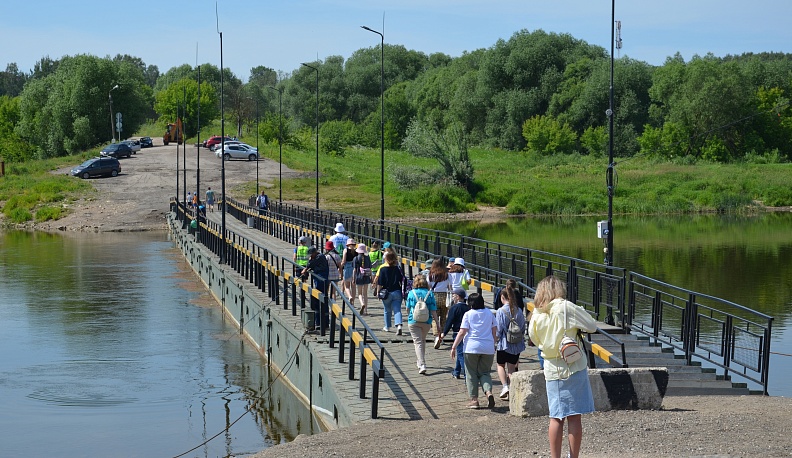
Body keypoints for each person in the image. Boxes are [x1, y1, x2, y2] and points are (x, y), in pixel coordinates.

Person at [528, 275, 598, 458]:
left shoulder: (536, 313)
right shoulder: (565, 307)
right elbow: (591, 325)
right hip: (573, 365)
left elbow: (534, 338)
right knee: (574, 416)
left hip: (552, 368)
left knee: (556, 417)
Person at [450, 293, 497, 409]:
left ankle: (474, 400)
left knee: (471, 373)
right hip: (488, 347)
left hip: (471, 347)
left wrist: (454, 346)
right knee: (485, 372)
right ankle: (488, 392)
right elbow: (494, 331)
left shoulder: (468, 314)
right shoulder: (489, 313)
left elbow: (462, 332)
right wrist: (493, 344)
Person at [495, 286, 527, 400]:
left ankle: (505, 387)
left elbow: (498, 330)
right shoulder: (519, 310)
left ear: (502, 297)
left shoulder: (500, 311)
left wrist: (495, 340)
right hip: (516, 344)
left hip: (504, 344)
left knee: (500, 365)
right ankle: (513, 390)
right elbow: (523, 328)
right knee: (512, 368)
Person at [405, 274, 440, 375]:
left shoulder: (411, 293)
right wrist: (437, 324)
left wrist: (410, 315)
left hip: (413, 321)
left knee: (418, 342)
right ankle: (420, 361)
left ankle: (422, 364)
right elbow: (433, 310)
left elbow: (407, 308)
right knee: (422, 341)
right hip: (426, 321)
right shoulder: (430, 293)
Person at [440, 287, 470, 379]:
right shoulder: (468, 307)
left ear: (458, 297)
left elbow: (449, 321)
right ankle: (456, 372)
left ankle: (467, 376)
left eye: (453, 295)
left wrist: (444, 333)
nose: (452, 297)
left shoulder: (454, 308)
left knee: (460, 354)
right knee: (460, 351)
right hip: (467, 332)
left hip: (458, 332)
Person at [301, 246, 330, 331]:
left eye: (311, 255)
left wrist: (306, 268)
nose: (310, 256)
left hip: (321, 280)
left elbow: (311, 264)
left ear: (314, 253)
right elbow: (310, 265)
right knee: (316, 302)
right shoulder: (315, 258)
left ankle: (324, 323)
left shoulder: (320, 257)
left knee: (322, 301)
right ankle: (318, 322)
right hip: (317, 280)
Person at [376, 250, 404, 334]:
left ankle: (387, 326)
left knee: (387, 310)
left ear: (386, 259)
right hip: (397, 291)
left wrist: (378, 292)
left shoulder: (382, 269)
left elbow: (380, 283)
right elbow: (402, 280)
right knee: (397, 310)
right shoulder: (398, 269)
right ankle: (399, 325)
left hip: (386, 293)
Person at [428, 258, 452, 346]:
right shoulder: (446, 274)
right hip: (444, 296)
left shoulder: (431, 274)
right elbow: (450, 286)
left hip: (434, 296)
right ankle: (441, 335)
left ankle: (436, 336)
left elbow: (429, 286)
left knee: (434, 318)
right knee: (443, 317)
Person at [353, 243, 372, 315]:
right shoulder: (368, 258)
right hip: (366, 276)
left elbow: (354, 270)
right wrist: (371, 277)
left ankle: (362, 304)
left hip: (359, 276)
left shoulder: (356, 258)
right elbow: (370, 268)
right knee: (365, 294)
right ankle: (366, 310)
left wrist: (353, 278)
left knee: (360, 293)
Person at [340, 238, 358, 307]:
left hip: (347, 268)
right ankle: (353, 303)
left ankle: (349, 296)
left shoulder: (345, 250)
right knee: (353, 287)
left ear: (348, 244)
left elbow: (344, 261)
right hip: (354, 269)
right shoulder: (356, 251)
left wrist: (340, 267)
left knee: (346, 286)